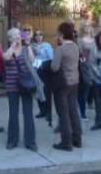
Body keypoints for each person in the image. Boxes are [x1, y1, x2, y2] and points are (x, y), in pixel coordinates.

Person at [3, 27, 38, 152]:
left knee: (28, 113)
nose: (18, 36)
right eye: (14, 35)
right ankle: (12, 140)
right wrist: (13, 46)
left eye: (19, 34)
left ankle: (30, 141)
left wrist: (27, 45)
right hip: (12, 86)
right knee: (13, 113)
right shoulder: (8, 50)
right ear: (10, 38)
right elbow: (6, 58)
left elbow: (33, 60)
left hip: (26, 85)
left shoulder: (26, 49)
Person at [51, 22, 82, 152]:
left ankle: (66, 142)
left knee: (63, 113)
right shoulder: (75, 46)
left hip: (63, 84)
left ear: (62, 34)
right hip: (75, 82)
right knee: (73, 110)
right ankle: (77, 139)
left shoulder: (61, 49)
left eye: (58, 34)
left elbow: (54, 67)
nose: (57, 36)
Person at [31, 29, 53, 120]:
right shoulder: (31, 46)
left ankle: (48, 112)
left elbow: (51, 57)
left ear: (43, 36)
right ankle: (42, 110)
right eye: (36, 35)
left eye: (40, 34)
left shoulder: (47, 45)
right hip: (36, 69)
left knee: (46, 91)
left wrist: (40, 52)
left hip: (45, 69)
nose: (38, 36)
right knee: (38, 90)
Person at [77, 20, 96, 120]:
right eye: (85, 26)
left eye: (89, 25)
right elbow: (80, 56)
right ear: (82, 28)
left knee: (97, 93)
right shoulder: (80, 40)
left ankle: (99, 115)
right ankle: (82, 113)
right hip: (85, 70)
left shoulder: (95, 39)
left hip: (96, 69)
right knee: (84, 93)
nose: (87, 27)